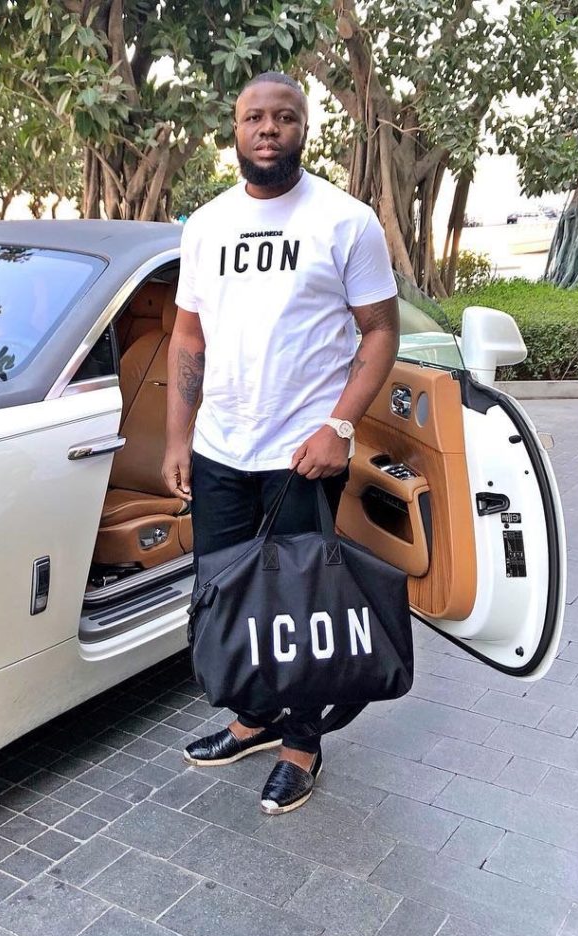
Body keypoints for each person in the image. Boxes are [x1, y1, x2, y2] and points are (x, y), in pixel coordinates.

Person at [162, 71, 400, 814]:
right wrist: (178, 437)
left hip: (303, 458)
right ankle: (256, 718)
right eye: (254, 118)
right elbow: (188, 337)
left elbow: (380, 331)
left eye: (284, 117)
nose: (268, 129)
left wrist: (340, 427)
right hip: (221, 451)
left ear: (304, 128)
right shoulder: (206, 226)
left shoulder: (346, 221)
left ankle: (302, 743)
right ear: (234, 131)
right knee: (232, 598)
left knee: (301, 608)